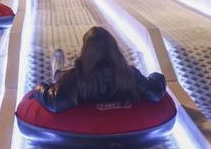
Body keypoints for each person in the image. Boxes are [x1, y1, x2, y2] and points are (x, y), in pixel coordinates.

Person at [34, 26, 167, 113]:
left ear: (86, 52)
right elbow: (155, 92)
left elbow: (54, 102)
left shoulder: (77, 78)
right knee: (66, 76)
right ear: (114, 50)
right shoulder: (129, 74)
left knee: (61, 77)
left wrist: (39, 88)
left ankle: (58, 70)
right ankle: (59, 71)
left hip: (84, 124)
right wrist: (155, 76)